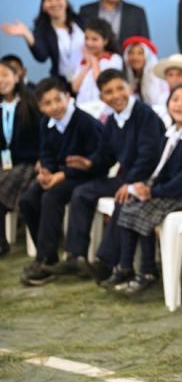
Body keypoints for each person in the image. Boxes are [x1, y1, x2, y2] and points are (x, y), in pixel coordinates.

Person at [110, 84, 182, 294]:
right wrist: (144, 186)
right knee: (130, 204)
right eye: (175, 99)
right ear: (168, 104)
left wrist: (154, 192)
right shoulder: (171, 133)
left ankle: (148, 270)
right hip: (171, 190)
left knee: (143, 210)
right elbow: (160, 169)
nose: (180, 104)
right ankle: (125, 266)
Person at [58, 69, 164, 284]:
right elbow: (106, 156)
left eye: (119, 88)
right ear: (101, 97)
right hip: (127, 178)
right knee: (82, 192)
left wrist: (130, 183)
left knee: (122, 199)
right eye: (108, 92)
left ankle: (107, 262)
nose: (115, 95)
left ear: (130, 88)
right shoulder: (112, 120)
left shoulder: (145, 115)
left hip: (149, 180)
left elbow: (149, 156)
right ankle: (76, 254)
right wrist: (89, 163)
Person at [18, 78, 102, 286]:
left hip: (84, 176)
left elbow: (97, 158)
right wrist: (45, 172)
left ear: (68, 97)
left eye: (58, 99)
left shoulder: (85, 122)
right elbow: (45, 152)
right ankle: (47, 255)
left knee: (51, 197)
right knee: (27, 200)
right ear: (40, 107)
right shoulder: (46, 124)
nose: (54, 106)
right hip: (58, 175)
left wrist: (62, 175)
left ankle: (45, 260)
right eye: (47, 103)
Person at [2, 0, 84, 82]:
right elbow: (42, 57)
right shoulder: (43, 30)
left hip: (88, 75)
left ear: (65, 1)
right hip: (63, 80)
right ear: (43, 6)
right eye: (49, 0)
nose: (54, 3)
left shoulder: (81, 20)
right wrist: (27, 35)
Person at [0, 60, 40, 256]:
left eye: (5, 75)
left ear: (16, 77)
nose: (1, 80)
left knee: (4, 181)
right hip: (5, 163)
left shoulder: (30, 103)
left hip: (28, 162)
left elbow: (42, 134)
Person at [71, 18, 123, 106]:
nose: (89, 43)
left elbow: (103, 84)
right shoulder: (82, 61)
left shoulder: (113, 59)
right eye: (86, 38)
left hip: (102, 106)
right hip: (83, 106)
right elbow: (75, 88)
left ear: (105, 41)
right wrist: (87, 65)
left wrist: (94, 61)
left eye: (94, 39)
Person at [122, 36, 169, 108]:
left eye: (140, 53)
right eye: (131, 53)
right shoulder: (126, 77)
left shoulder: (158, 78)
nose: (135, 57)